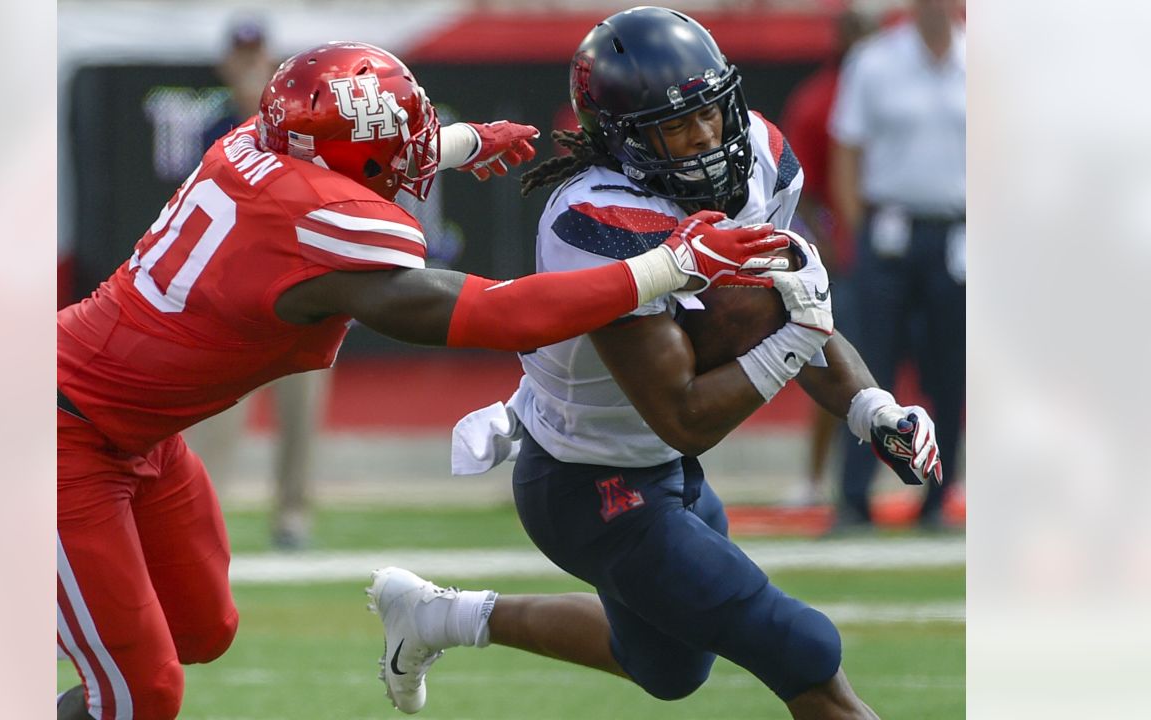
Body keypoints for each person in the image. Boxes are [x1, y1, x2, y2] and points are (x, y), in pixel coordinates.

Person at [56, 40, 796, 720]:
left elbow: (344, 154)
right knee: (140, 694)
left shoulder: (259, 143)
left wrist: (462, 142)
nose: (416, 160)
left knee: (202, 627)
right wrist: (672, 266)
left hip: (137, 434)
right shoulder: (319, 229)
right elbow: (499, 316)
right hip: (62, 437)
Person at [368, 8, 942, 719]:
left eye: (712, 113)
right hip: (587, 484)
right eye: (677, 126)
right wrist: (797, 334)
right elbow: (685, 416)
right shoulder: (595, 221)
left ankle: (437, 617)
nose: (707, 139)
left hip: (661, 471)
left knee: (666, 667)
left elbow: (786, 304)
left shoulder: (759, 152)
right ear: (620, 140)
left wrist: (871, 407)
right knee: (802, 648)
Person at [185, 18, 326, 550]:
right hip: (236, 297)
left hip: (299, 286)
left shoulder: (304, 124)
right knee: (216, 414)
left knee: (301, 410)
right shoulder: (211, 125)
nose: (249, 65)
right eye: (241, 56)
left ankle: (293, 515)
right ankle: (204, 512)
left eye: (257, 56)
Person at [827, 0, 965, 531]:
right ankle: (854, 498)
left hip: (957, 233)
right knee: (869, 362)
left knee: (949, 370)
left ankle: (939, 496)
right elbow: (848, 151)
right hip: (888, 230)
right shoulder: (876, 61)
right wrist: (853, 230)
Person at [778, 7, 876, 507]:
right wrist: (826, 246)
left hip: (894, 244)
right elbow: (805, 190)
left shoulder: (892, 91)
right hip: (842, 248)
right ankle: (817, 476)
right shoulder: (818, 100)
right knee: (830, 355)